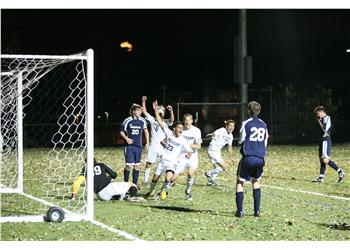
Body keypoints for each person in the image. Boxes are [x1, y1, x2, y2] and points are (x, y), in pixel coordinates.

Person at [145, 100, 192, 200]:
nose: (180, 129)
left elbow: (190, 151)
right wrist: (156, 111)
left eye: (181, 128)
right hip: (163, 160)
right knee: (154, 179)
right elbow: (159, 121)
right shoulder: (169, 133)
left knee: (168, 179)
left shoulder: (183, 140)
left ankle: (162, 194)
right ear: (174, 129)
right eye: (178, 127)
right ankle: (151, 192)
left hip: (172, 163)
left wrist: (188, 155)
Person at [235, 101, 268, 218]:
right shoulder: (264, 124)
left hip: (248, 157)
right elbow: (265, 142)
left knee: (240, 182)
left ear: (248, 111)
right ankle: (257, 211)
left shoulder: (246, 123)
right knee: (256, 181)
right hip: (260, 158)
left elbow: (241, 139)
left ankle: (239, 211)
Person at [141, 96, 174, 186]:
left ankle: (169, 179)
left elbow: (172, 120)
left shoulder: (165, 122)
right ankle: (145, 180)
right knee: (149, 164)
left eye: (161, 113)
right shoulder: (152, 120)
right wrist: (143, 102)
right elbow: (144, 112)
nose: (159, 115)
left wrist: (171, 111)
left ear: (163, 114)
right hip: (153, 146)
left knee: (165, 163)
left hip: (162, 147)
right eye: (158, 113)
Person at [71, 158, 138, 201]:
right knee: (132, 185)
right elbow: (114, 175)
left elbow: (76, 184)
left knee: (113, 187)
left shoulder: (85, 170)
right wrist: (110, 178)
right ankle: (134, 198)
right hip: (107, 189)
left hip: (100, 196)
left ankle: (122, 197)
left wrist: (73, 196)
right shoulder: (101, 165)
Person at [173, 113, 202, 201]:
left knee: (190, 174)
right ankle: (164, 191)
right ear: (183, 121)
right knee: (173, 177)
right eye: (186, 120)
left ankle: (188, 191)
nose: (187, 122)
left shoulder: (196, 130)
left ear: (192, 121)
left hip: (192, 156)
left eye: (189, 120)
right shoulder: (180, 130)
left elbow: (199, 146)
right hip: (181, 155)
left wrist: (188, 145)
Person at [313, 106, 345, 183]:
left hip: (326, 140)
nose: (317, 116)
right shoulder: (321, 119)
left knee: (325, 159)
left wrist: (318, 121)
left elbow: (324, 129)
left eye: (317, 114)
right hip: (321, 140)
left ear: (321, 112)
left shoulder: (327, 118)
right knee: (321, 160)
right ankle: (321, 178)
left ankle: (340, 172)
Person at [120, 103, 149, 186]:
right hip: (129, 147)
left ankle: (134, 185)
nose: (140, 112)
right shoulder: (127, 120)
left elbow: (146, 131)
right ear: (133, 111)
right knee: (129, 166)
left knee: (137, 166)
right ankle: (125, 183)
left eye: (140, 110)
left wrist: (147, 143)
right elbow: (121, 131)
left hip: (138, 147)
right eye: (138, 110)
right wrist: (126, 139)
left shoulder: (142, 121)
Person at [205, 120, 235, 186]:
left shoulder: (231, 136)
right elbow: (213, 134)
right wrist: (209, 135)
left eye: (233, 126)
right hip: (212, 150)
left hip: (218, 151)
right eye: (230, 126)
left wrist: (231, 158)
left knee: (217, 168)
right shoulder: (221, 130)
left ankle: (211, 182)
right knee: (224, 167)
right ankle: (208, 173)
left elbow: (229, 147)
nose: (231, 127)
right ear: (226, 126)